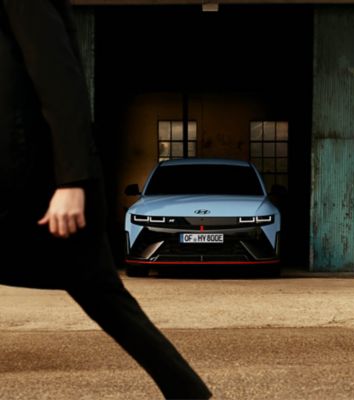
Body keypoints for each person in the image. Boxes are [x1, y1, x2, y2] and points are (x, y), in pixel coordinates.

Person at [0, 1, 212, 398]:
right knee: (105, 296)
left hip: (34, 186)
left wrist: (71, 182)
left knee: (104, 295)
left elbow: (58, 76)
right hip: (29, 183)